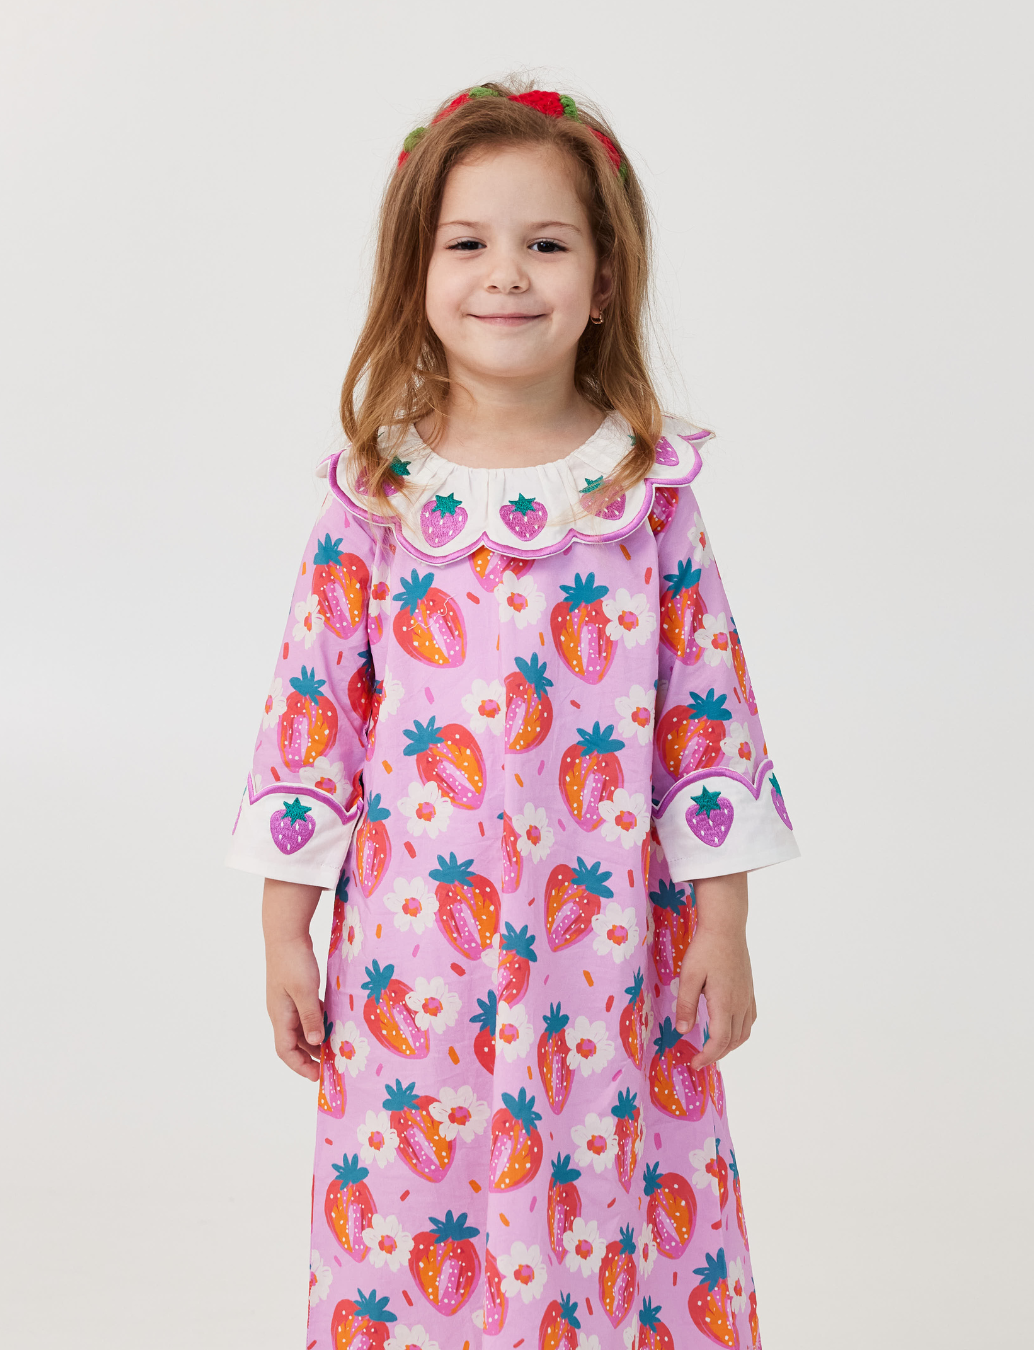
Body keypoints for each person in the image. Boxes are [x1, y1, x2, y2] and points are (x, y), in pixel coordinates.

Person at [227, 81, 799, 1350]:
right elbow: (312, 720)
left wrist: (726, 924)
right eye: (468, 243)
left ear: (604, 280)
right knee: (415, 1205)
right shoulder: (375, 497)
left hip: (611, 955)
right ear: (416, 272)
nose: (506, 275)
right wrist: (283, 936)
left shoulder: (648, 496)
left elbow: (707, 720)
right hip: (413, 962)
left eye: (546, 243)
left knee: (608, 1206)